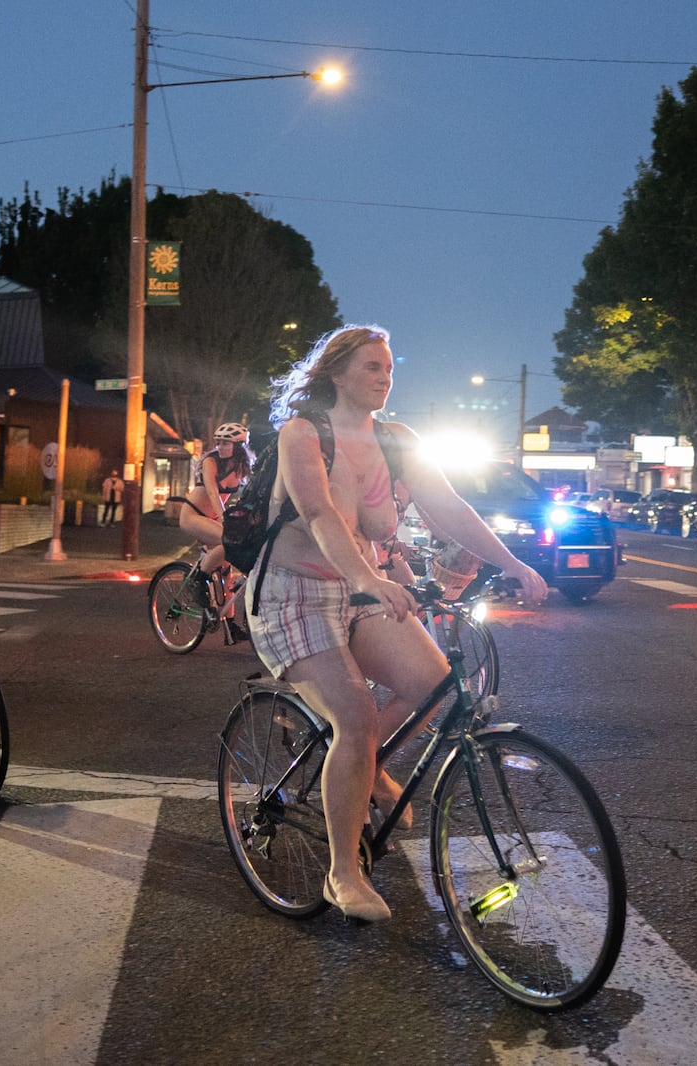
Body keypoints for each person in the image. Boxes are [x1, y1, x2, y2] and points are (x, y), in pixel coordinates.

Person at [244, 325, 546, 922]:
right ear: (336, 373)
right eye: (371, 367)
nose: (385, 378)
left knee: (433, 683)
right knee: (355, 717)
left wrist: (512, 563)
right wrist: (369, 578)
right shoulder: (303, 433)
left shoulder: (398, 440)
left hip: (362, 589)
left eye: (389, 369)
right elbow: (319, 514)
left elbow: (449, 507)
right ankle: (342, 874)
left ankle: (368, 765)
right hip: (292, 594)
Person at [177, 423, 253, 642]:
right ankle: (197, 579)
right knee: (227, 541)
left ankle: (229, 626)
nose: (219, 446)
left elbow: (249, 495)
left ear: (238, 446)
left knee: (225, 572)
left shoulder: (241, 467)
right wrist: (224, 518)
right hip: (193, 515)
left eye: (225, 443)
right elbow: (212, 493)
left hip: (212, 518)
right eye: (218, 442)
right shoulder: (211, 462)